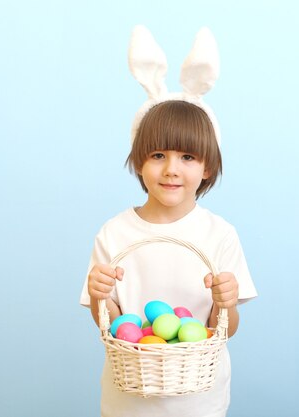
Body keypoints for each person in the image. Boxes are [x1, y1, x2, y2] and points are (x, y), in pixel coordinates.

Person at [79, 25, 257, 417]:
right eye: (158, 155)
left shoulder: (219, 234)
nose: (171, 170)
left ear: (207, 167)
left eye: (187, 158)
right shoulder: (115, 233)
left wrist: (226, 302)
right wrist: (98, 294)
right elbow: (107, 323)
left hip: (200, 398)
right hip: (129, 397)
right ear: (138, 161)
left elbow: (224, 327)